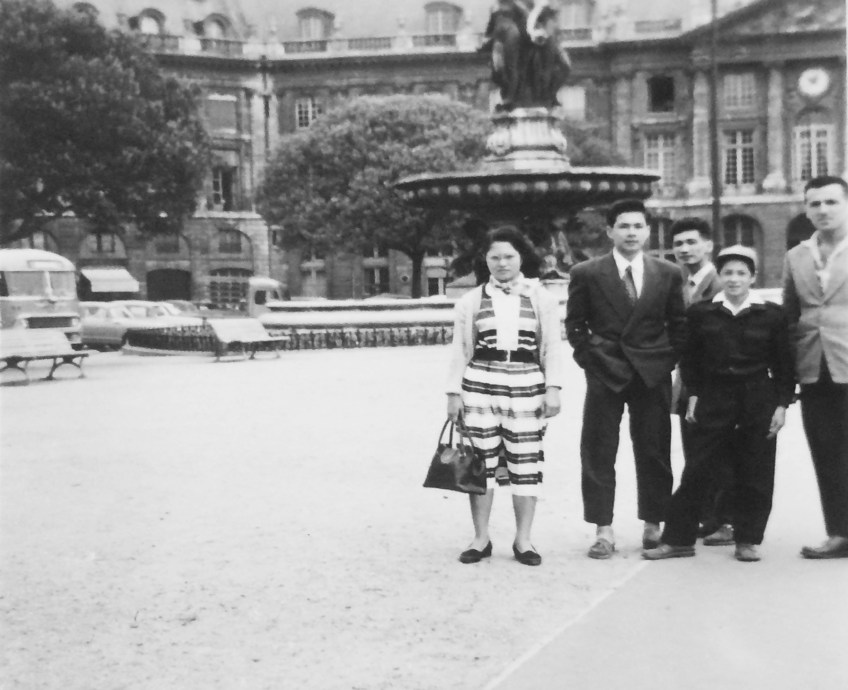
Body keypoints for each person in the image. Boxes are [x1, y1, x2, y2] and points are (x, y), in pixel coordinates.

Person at [644, 246, 795, 562]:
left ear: (752, 277)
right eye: (728, 273)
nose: (734, 279)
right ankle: (678, 540)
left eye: (741, 273)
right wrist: (694, 394)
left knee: (756, 471)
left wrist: (781, 404)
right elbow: (690, 359)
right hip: (714, 397)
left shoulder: (772, 315)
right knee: (698, 469)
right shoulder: (702, 313)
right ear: (720, 276)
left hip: (758, 398)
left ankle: (747, 539)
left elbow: (785, 365)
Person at [565, 199, 686, 559]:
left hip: (651, 372)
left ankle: (653, 522)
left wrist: (666, 359)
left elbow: (679, 324)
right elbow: (575, 324)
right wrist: (590, 358)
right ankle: (603, 529)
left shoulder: (667, 273)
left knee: (654, 448)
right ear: (610, 231)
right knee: (598, 449)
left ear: (647, 231)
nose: (631, 233)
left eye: (637, 226)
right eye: (623, 226)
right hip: (606, 370)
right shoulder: (587, 273)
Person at [446, 225, 564, 566]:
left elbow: (552, 346)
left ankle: (523, 540)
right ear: (485, 260)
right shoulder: (471, 301)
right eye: (495, 257)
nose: (502, 263)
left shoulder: (541, 298)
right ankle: (480, 538)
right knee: (480, 462)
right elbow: (460, 349)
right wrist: (454, 393)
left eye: (509, 256)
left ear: (521, 258)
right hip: (480, 383)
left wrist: (553, 388)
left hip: (526, 384)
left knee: (525, 460)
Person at [782, 175, 848, 559]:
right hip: (813, 367)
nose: (823, 210)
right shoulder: (797, 256)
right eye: (815, 203)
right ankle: (839, 532)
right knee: (826, 451)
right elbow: (790, 315)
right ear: (806, 209)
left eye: (831, 202)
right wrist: (787, 372)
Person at [669, 218, 734, 545]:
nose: (684, 249)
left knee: (721, 452)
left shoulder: (722, 284)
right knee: (695, 450)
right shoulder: (677, 283)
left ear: (708, 245)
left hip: (717, 382)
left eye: (691, 242)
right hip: (688, 381)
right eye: (678, 244)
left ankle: (726, 520)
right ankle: (708, 516)